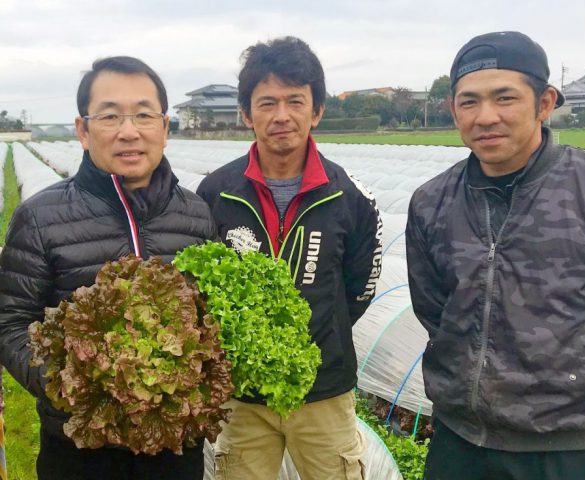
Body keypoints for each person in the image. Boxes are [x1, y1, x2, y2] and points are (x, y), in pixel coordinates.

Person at [406, 31, 585, 480]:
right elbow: (435, 311)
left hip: (570, 451)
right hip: (461, 446)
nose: (485, 116)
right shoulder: (432, 202)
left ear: (545, 102)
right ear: (453, 109)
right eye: (468, 102)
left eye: (505, 97)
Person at [0, 56, 215, 480]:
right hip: (79, 451)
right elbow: (10, 322)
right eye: (110, 116)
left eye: (143, 114)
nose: (129, 131)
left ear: (165, 128)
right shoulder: (40, 218)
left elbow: (211, 323)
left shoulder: (198, 215)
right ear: (83, 130)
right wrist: (77, 390)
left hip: (173, 451)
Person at [197, 36, 382, 480]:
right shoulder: (214, 194)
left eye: (295, 101)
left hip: (325, 392)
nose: (282, 116)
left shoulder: (350, 196)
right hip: (242, 397)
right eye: (267, 103)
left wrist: (318, 334)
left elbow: (359, 290)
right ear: (246, 114)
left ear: (316, 110)